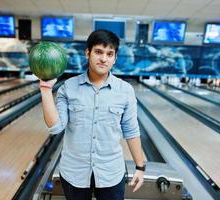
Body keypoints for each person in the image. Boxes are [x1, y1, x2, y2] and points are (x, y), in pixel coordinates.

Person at [39, 29, 145, 200]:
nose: (104, 58)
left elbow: (131, 131)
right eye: (98, 52)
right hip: (74, 173)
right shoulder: (68, 87)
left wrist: (140, 167)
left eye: (110, 54)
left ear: (115, 58)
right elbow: (55, 127)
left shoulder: (125, 90)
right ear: (87, 53)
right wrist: (46, 89)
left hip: (111, 172)